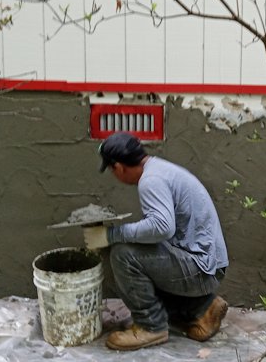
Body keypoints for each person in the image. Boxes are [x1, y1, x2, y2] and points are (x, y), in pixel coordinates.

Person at [83, 131, 229, 351]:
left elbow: (162, 227)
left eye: (112, 170)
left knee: (123, 255)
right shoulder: (159, 168)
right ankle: (202, 308)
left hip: (201, 270)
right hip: (205, 264)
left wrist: (110, 235)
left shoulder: (150, 181)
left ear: (119, 167)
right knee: (138, 252)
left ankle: (151, 326)